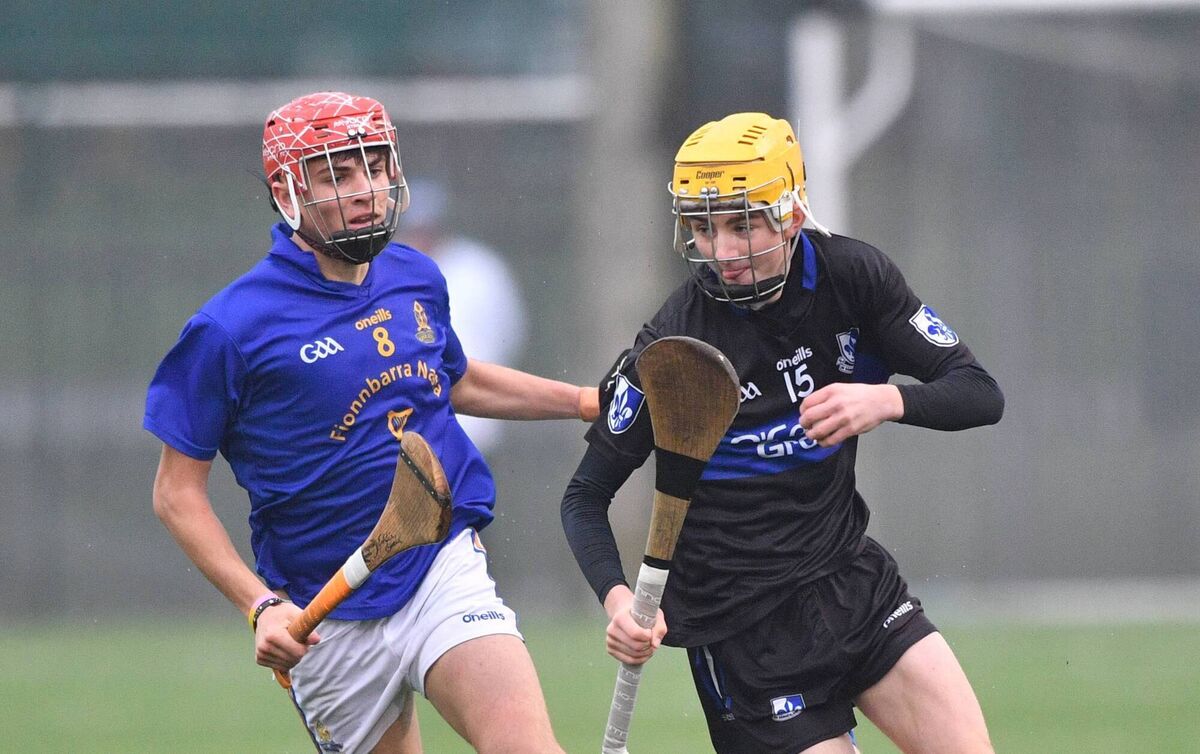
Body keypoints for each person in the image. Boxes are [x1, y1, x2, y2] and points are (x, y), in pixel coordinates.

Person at [145, 91, 598, 754]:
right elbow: (175, 493)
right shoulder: (231, 327)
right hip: (324, 611)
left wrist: (586, 402)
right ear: (287, 191)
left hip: (437, 566)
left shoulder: (415, 276)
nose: (365, 189)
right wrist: (259, 605)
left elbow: (456, 380)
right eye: (338, 174)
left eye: (376, 166)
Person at [561, 112, 1003, 754]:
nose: (723, 251)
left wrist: (884, 400)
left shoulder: (854, 279)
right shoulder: (675, 343)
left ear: (791, 215)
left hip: (852, 584)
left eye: (742, 225)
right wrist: (617, 603)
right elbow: (584, 498)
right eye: (704, 228)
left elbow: (979, 391)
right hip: (745, 637)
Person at [398, 178, 529, 453]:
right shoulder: (389, 274)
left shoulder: (480, 269)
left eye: (429, 227)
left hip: (476, 420)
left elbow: (511, 333)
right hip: (411, 431)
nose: (423, 237)